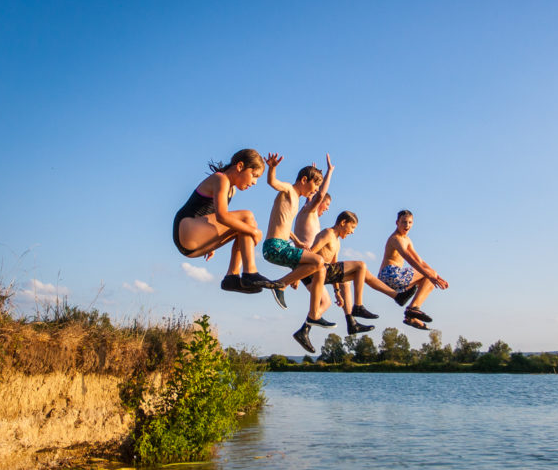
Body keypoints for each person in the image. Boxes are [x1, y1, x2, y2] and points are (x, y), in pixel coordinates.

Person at [172, 148, 280, 293]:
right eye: (254, 175)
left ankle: (232, 278)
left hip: (193, 244)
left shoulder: (231, 190)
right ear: (240, 166)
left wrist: (210, 239)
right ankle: (250, 273)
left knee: (244, 226)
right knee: (247, 217)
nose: (254, 182)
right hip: (185, 228)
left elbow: (220, 218)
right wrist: (254, 232)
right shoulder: (220, 179)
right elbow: (221, 216)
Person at [261, 152, 335, 353]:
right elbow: (273, 182)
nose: (316, 191)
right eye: (314, 185)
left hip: (283, 245)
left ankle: (313, 315)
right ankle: (279, 285)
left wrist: (297, 241)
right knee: (319, 261)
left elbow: (284, 225)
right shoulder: (289, 191)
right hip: (275, 246)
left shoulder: (296, 203)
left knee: (319, 267)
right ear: (304, 180)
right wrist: (272, 167)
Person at [307, 210, 419, 334]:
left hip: (327, 273)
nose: (352, 231)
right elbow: (310, 254)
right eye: (352, 227)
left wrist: (337, 291)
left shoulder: (337, 241)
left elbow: (335, 268)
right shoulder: (328, 233)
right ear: (343, 222)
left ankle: (397, 296)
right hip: (318, 271)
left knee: (363, 273)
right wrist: (296, 277)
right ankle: (358, 306)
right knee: (361, 265)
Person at [378, 209, 449, 330]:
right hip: (389, 273)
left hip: (396, 277)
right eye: (404, 222)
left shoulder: (407, 239)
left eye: (410, 222)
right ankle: (412, 309)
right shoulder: (396, 239)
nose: (407, 225)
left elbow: (420, 261)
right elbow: (410, 260)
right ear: (397, 222)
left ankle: (411, 316)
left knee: (429, 280)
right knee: (428, 275)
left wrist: (436, 275)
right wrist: (430, 274)